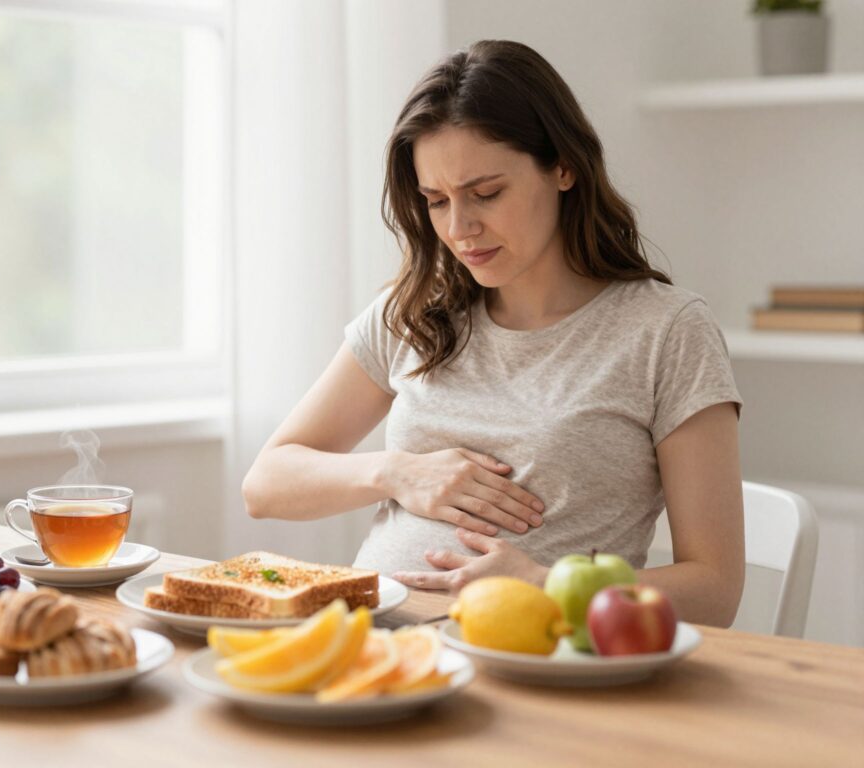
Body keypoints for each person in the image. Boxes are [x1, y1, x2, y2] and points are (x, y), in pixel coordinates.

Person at [242, 40, 744, 627]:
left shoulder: (666, 332)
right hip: (372, 647)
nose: (460, 229)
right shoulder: (414, 313)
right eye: (436, 201)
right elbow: (266, 484)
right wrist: (396, 472)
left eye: (486, 194)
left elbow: (715, 589)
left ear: (563, 167)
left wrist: (548, 586)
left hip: (532, 669)